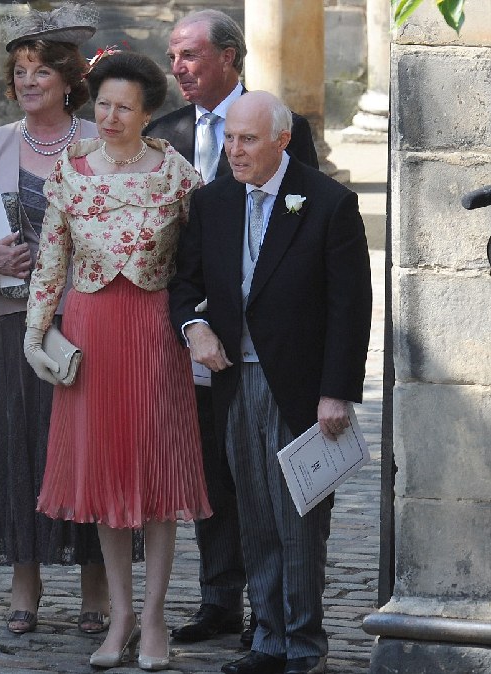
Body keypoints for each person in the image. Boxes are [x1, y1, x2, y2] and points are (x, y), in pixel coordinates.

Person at [169, 91, 372, 674]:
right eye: (230, 138)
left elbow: (350, 306)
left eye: (248, 139)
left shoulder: (328, 202)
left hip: (300, 388)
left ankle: (305, 646)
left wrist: (336, 391)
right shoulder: (212, 203)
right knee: (253, 514)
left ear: (282, 141)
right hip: (233, 382)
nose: (234, 150)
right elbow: (185, 285)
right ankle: (267, 640)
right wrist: (195, 327)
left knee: (300, 521)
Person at [24, 50, 211, 671]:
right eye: (102, 103)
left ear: (147, 113)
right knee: (103, 475)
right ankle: (120, 616)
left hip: (154, 335)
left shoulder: (176, 176)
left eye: (123, 106)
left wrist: (202, 324)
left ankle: (154, 618)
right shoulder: (71, 174)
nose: (109, 115)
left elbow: (201, 262)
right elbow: (51, 263)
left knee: (155, 476)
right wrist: (35, 335)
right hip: (91, 335)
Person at [145, 9, 319, 648]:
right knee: (211, 474)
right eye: (172, 56)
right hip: (195, 338)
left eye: (190, 55)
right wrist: (190, 322)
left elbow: (306, 224)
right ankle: (219, 598)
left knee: (268, 481)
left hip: (267, 347)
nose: (178, 68)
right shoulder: (164, 132)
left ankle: (271, 614)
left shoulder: (283, 127)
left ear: (229, 57)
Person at [0, 2, 111, 636]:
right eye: (19, 72)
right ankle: (26, 583)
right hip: (8, 319)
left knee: (87, 448)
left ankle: (97, 581)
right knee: (17, 447)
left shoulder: (101, 143)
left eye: (40, 71)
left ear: (69, 81)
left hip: (84, 318)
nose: (27, 82)